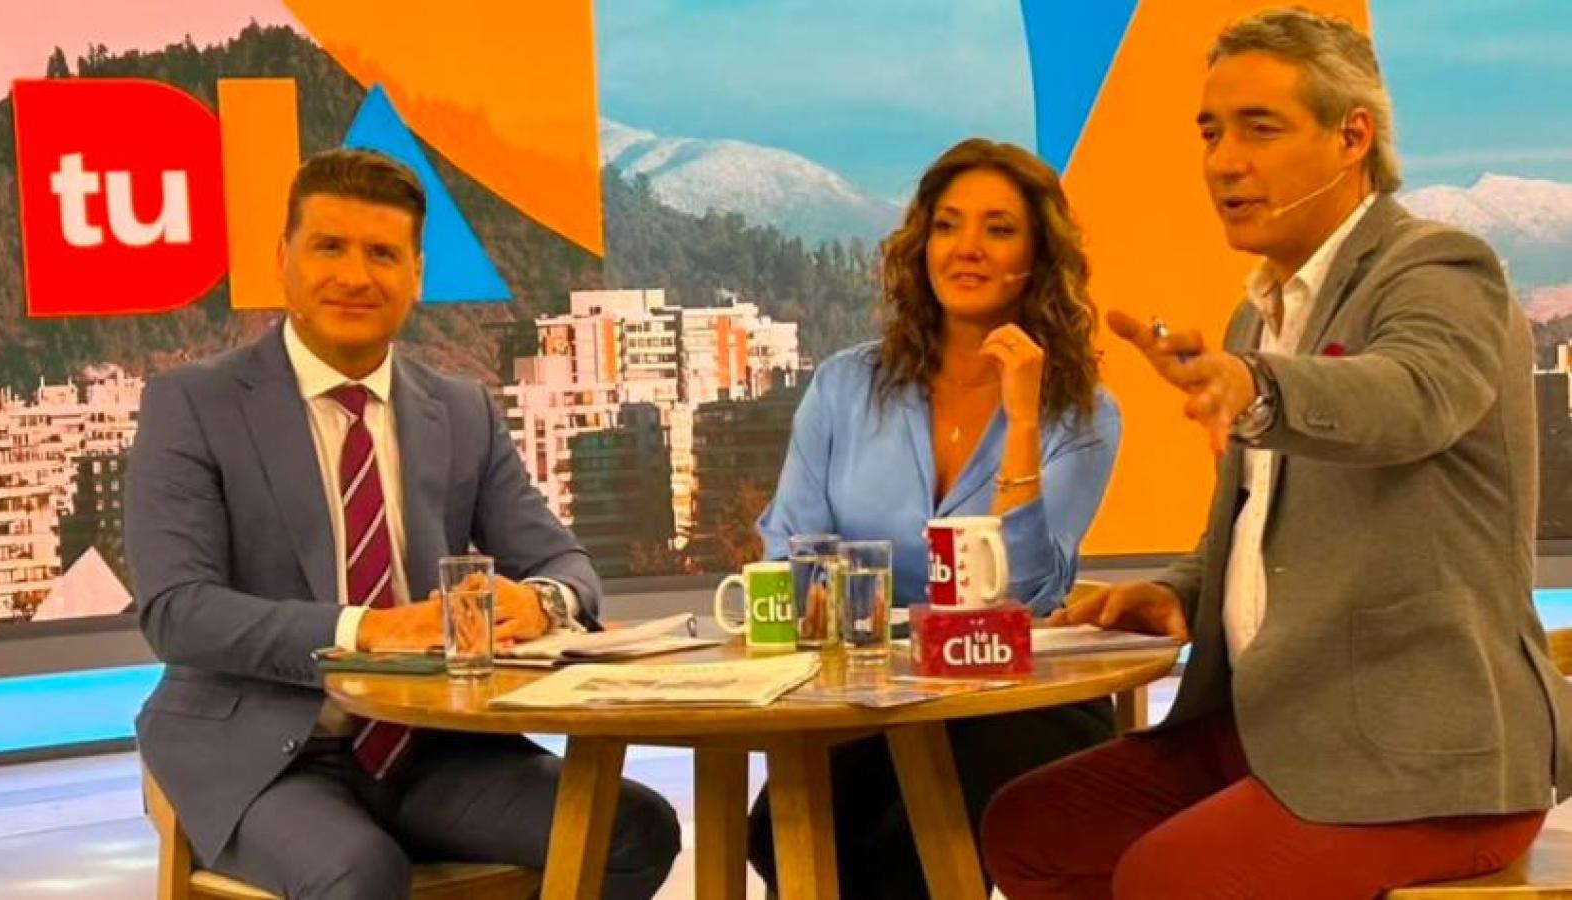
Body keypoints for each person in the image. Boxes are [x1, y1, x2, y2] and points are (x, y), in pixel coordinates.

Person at [981, 8, 1572, 899]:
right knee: (1029, 829)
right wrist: (1179, 592)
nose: (1223, 161)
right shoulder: (1254, 315)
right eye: (1210, 132)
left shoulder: (1440, 269)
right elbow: (1272, 525)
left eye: (1259, 128)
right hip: (1276, 725)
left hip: (1423, 756)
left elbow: (1409, 396)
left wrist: (1255, 388)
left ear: (1351, 137)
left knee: (1166, 880)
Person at [127, 148, 680, 900]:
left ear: (416, 275)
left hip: (435, 751)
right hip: (263, 753)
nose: (355, 276)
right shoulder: (194, 403)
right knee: (361, 873)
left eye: (382, 254)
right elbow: (177, 611)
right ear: (283, 259)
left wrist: (542, 601)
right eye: (329, 247)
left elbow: (563, 562)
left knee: (635, 829)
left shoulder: (461, 409)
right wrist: (369, 630)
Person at [751, 137, 1123, 898]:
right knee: (779, 832)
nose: (966, 248)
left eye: (998, 228)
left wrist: (1023, 421)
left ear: (1038, 257)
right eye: (948, 225)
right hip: (870, 699)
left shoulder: (1081, 412)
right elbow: (791, 554)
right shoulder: (844, 387)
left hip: (1015, 702)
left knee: (914, 836)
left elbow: (1027, 595)